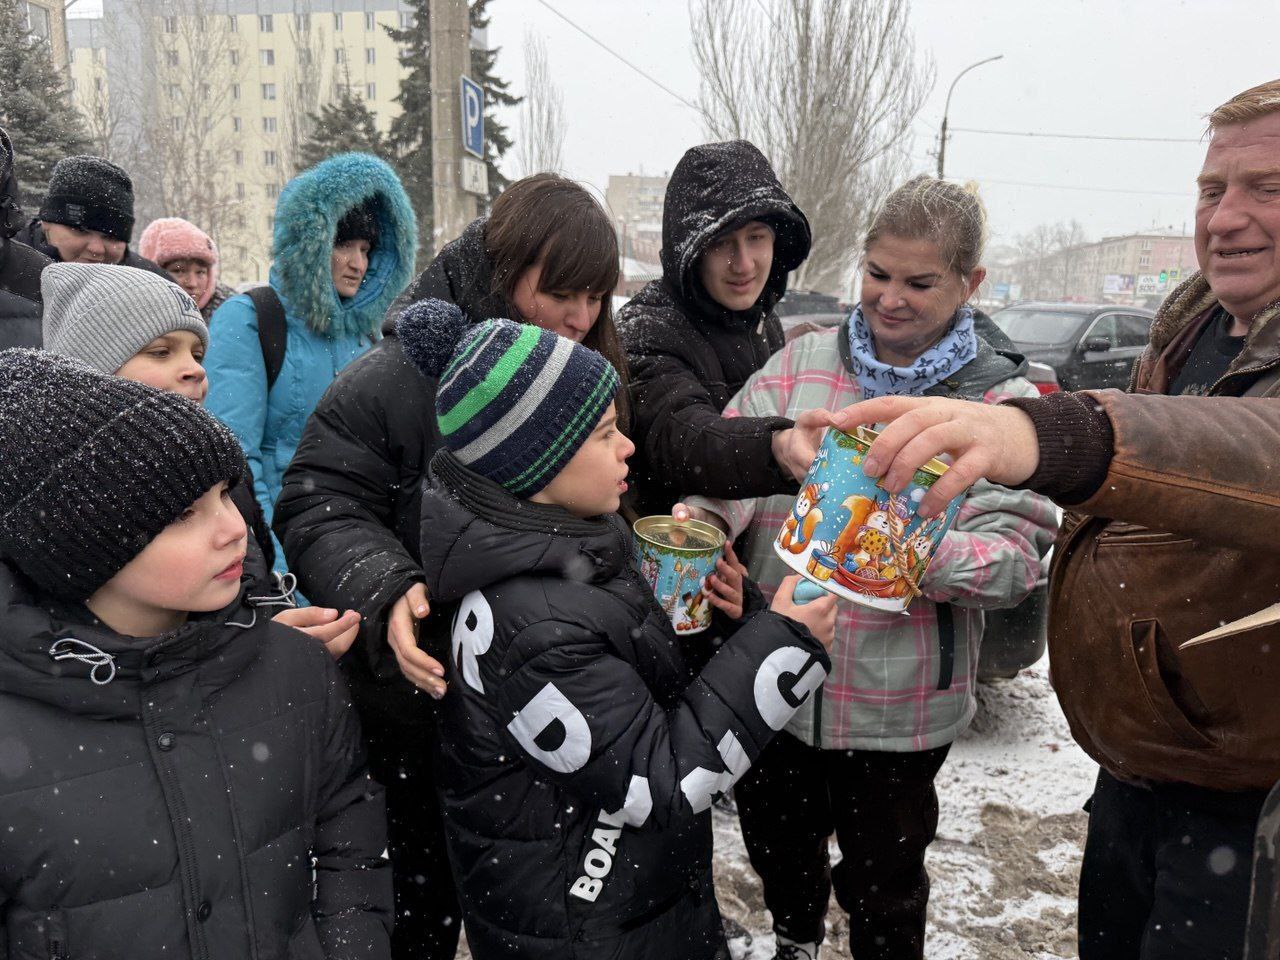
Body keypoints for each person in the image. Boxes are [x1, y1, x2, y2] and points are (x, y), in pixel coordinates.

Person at [835, 80, 1280, 960]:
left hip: (1249, 803)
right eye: (1209, 190)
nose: (1226, 218)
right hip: (1138, 772)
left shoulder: (1009, 389)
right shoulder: (1193, 331)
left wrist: (1055, 432)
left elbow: (1247, 450)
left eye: (1266, 189)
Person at [681, 176, 1057, 960]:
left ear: (969, 284)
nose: (890, 300)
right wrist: (708, 524)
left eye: (920, 283)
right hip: (777, 678)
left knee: (886, 883)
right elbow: (733, 466)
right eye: (878, 274)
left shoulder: (1001, 404)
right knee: (780, 853)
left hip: (902, 708)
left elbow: (1017, 558)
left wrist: (904, 553)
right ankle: (795, 940)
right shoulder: (803, 362)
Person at [395, 297, 835, 960]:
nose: (628, 445)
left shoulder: (556, 547)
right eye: (603, 434)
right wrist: (783, 644)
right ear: (536, 465)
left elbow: (627, 699)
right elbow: (661, 782)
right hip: (587, 924)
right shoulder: (535, 623)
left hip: (616, 900)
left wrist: (729, 619)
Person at [273, 172, 624, 959]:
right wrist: (384, 585)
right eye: (561, 291)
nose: (579, 318)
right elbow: (317, 498)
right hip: (418, 713)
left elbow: (623, 493)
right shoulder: (405, 375)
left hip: (543, 714)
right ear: (504, 275)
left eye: (596, 297)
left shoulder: (588, 368)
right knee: (417, 915)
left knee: (536, 911)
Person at [0, 348, 392, 957]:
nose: (234, 527)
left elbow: (353, 846)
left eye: (225, 494)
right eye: (185, 513)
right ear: (85, 543)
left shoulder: (294, 669)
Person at [39, 261, 361, 657]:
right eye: (161, 352)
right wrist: (248, 655)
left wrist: (271, 635)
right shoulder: (66, 501)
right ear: (92, 374)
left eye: (197, 353)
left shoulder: (219, 465)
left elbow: (246, 590)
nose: (193, 368)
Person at [205, 152, 415, 578]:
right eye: (344, 244)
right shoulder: (252, 318)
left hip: (358, 557)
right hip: (278, 554)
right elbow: (236, 464)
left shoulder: (369, 337)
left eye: (366, 248)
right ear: (312, 241)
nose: (359, 264)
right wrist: (280, 576)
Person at [618, 139, 832, 517]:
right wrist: (777, 448)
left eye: (756, 237)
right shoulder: (647, 328)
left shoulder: (765, 324)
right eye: (722, 243)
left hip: (731, 560)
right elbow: (683, 437)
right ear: (691, 249)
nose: (744, 263)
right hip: (669, 553)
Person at [15, 155, 168, 277]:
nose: (97, 249)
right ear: (46, 222)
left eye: (112, 237)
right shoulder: (7, 269)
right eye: (81, 230)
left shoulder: (153, 283)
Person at [139, 216, 235, 322]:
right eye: (178, 271)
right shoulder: (137, 319)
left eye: (200, 272)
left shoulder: (234, 315)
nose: (192, 283)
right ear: (153, 272)